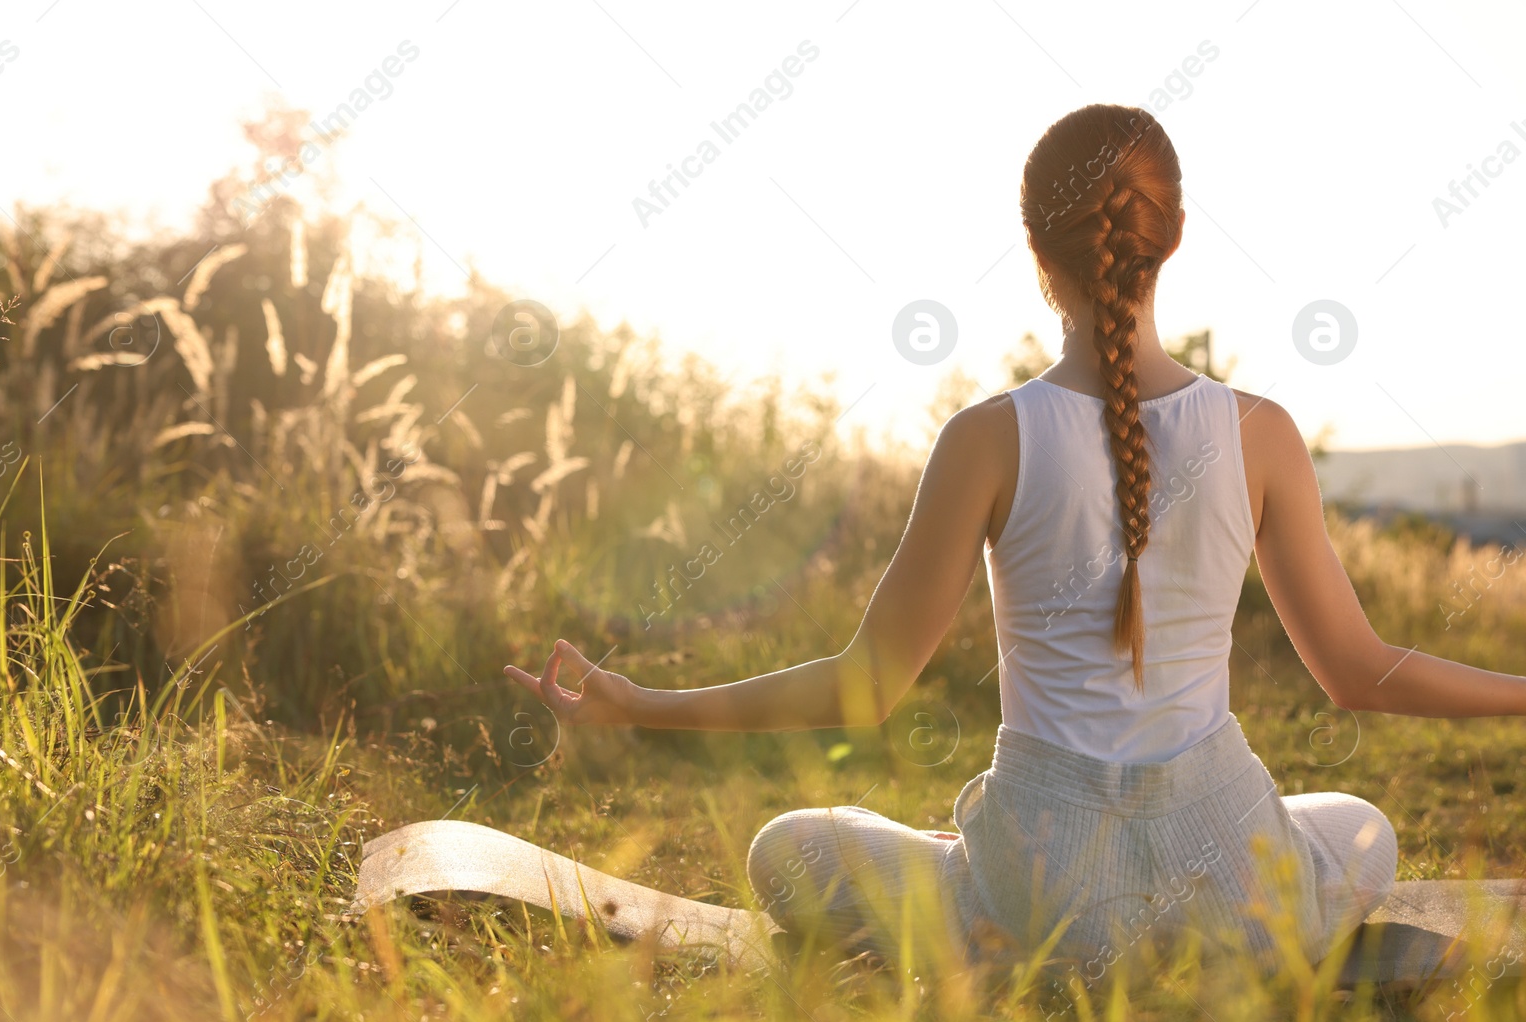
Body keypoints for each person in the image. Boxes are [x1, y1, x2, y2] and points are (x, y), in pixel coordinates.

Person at [504, 104, 1526, 976]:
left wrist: (639, 704)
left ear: (1035, 248)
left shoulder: (985, 438)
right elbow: (1362, 672)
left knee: (788, 848)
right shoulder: (1259, 432)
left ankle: (970, 887)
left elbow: (863, 685)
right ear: (1172, 234)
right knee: (1360, 824)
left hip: (1041, 895)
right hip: (1235, 896)